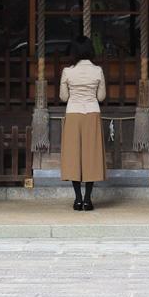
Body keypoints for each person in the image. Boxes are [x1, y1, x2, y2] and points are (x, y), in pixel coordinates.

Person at [59, 35, 106, 210]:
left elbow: (64, 97)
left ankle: (77, 199)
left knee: (74, 155)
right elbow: (101, 97)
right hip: (92, 112)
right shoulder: (98, 70)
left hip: (73, 113)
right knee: (91, 155)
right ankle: (88, 199)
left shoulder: (67, 71)